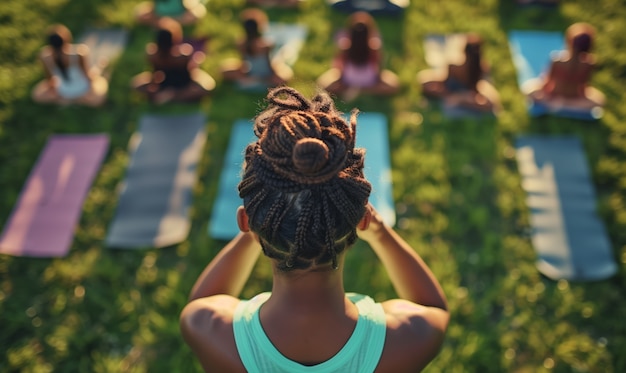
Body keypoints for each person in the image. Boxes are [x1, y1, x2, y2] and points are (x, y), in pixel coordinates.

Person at [180, 86, 449, 372]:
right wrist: (382, 234)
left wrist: (259, 224)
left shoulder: (209, 331)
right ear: (363, 219)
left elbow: (202, 301)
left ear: (246, 222)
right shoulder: (410, 337)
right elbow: (434, 308)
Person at [522, 22, 605, 114]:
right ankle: (568, 105)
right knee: (599, 100)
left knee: (528, 87)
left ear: (569, 42)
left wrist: (543, 93)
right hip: (574, 97)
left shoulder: (557, 60)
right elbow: (583, 87)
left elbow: (547, 83)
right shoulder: (590, 63)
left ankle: (553, 104)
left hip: (553, 95)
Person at [317, 11, 400, 100]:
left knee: (322, 83)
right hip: (370, 83)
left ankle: (354, 90)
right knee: (394, 83)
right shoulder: (374, 48)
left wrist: (342, 84)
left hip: (348, 82)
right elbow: (379, 70)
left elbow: (339, 69)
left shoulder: (345, 47)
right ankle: (364, 90)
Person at [131, 17, 215, 104]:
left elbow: (155, 75)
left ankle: (165, 96)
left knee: (136, 85)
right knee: (207, 86)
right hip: (181, 85)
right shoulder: (183, 55)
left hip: (167, 84)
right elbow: (193, 73)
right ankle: (175, 96)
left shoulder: (153, 55)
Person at [417, 33, 500, 113]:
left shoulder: (481, 70)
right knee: (425, 82)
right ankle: (456, 98)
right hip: (453, 91)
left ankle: (458, 99)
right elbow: (438, 81)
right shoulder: (454, 66)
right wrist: (447, 93)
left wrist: (461, 98)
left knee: (486, 103)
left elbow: (486, 98)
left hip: (468, 94)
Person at [32, 24, 108, 107]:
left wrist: (54, 92)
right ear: (67, 39)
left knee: (37, 94)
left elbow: (50, 80)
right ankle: (80, 99)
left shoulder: (45, 56)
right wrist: (100, 67)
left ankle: (66, 100)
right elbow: (88, 77)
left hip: (63, 90)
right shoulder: (79, 52)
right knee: (100, 87)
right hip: (82, 89)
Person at [221, 8, 293, 89]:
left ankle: (251, 81)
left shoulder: (241, 44)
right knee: (284, 76)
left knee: (282, 77)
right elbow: (270, 66)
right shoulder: (266, 44)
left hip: (254, 73)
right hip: (262, 74)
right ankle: (259, 81)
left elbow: (244, 63)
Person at [134, 0, 206, 27]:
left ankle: (167, 23)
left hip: (178, 15)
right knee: (139, 15)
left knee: (195, 15)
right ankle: (168, 24)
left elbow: (189, 5)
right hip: (159, 15)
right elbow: (154, 5)